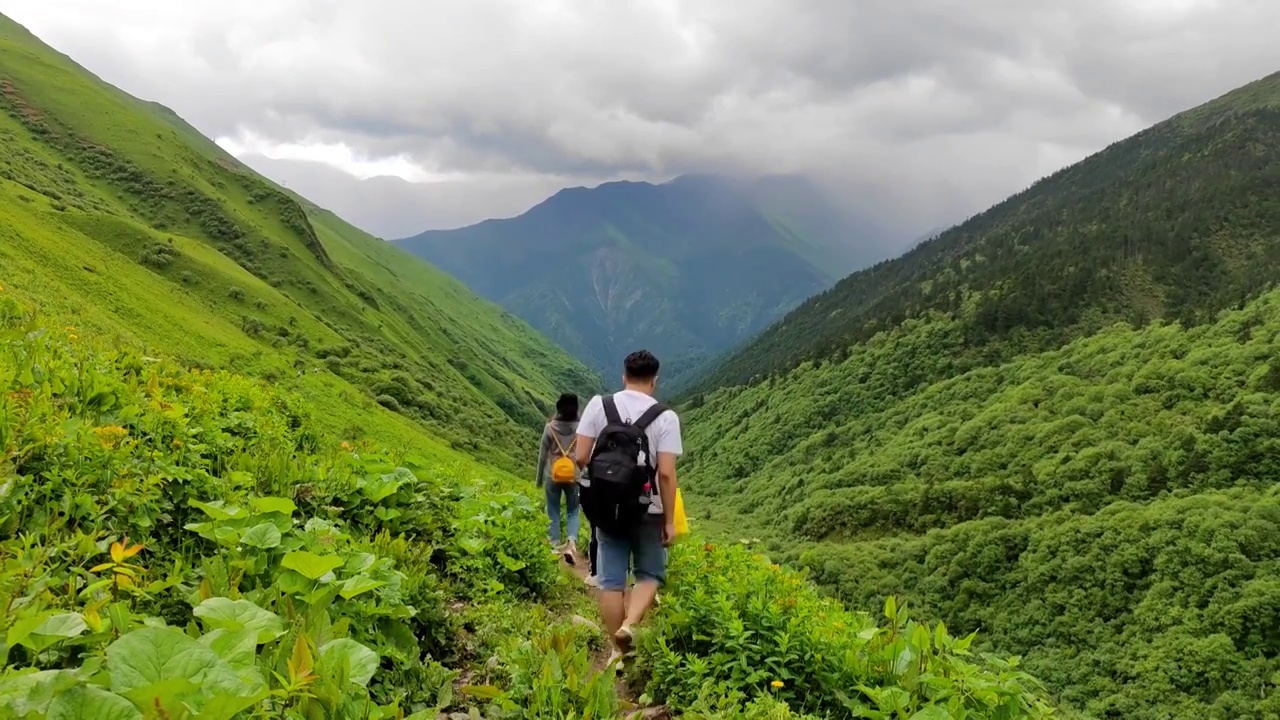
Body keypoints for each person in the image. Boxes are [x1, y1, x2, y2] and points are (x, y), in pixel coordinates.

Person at [576, 350, 681, 669]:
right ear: (655, 381)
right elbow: (665, 473)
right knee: (649, 573)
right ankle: (630, 625)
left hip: (607, 506)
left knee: (611, 581)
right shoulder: (665, 417)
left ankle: (616, 654)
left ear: (624, 376)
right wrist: (670, 520)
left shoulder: (599, 405)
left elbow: (581, 457)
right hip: (649, 508)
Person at [536, 392, 582, 564]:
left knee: (553, 509)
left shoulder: (550, 427)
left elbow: (542, 456)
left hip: (552, 475)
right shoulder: (580, 427)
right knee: (573, 511)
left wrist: (539, 479)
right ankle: (571, 542)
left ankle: (554, 545)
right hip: (573, 475)